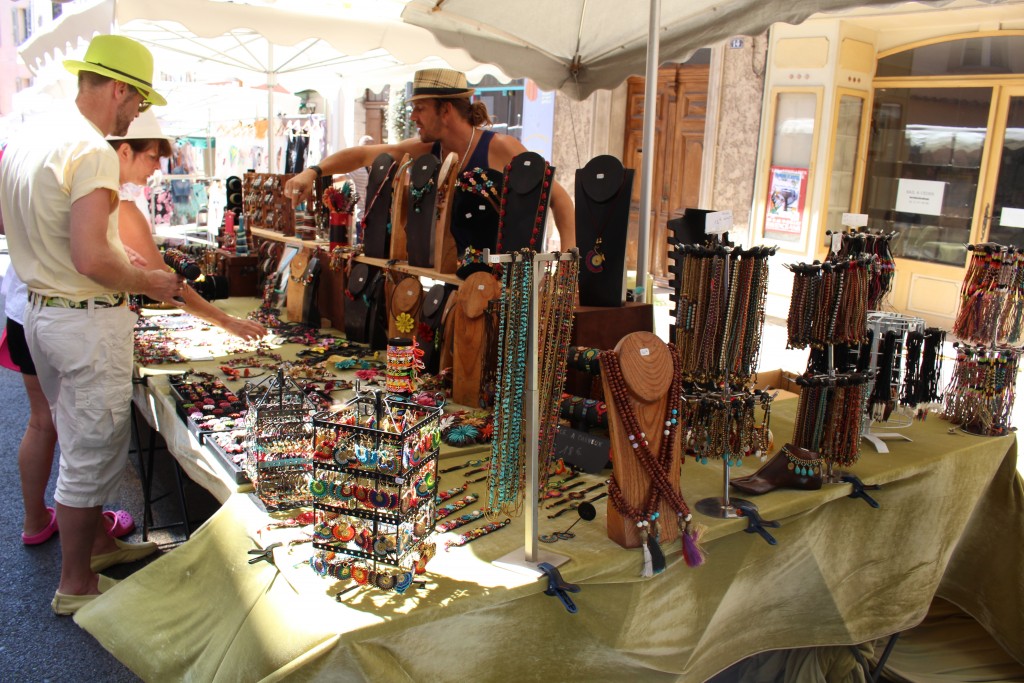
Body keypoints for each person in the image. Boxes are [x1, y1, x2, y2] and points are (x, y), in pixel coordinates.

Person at [0, 34, 184, 616]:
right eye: (139, 101)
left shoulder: (28, 140)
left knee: (79, 437)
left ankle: (98, 547)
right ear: (119, 89)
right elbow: (90, 259)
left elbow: (20, 228)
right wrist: (149, 280)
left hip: (41, 311)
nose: (137, 114)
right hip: (82, 320)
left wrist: (84, 256)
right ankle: (75, 583)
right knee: (90, 449)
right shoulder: (91, 149)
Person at [285, 68, 576, 251]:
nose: (413, 117)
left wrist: (566, 269)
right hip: (455, 281)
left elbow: (559, 199)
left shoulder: (499, 147)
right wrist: (313, 171)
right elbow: (363, 155)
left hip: (508, 288)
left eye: (420, 108)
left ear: (445, 110)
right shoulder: (427, 150)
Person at [109, 111, 267, 340]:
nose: (158, 167)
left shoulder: (105, 196)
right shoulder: (120, 205)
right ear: (125, 151)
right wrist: (225, 321)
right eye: (152, 157)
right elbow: (162, 278)